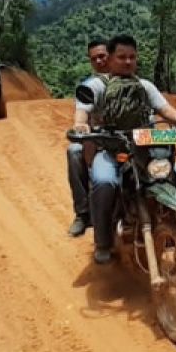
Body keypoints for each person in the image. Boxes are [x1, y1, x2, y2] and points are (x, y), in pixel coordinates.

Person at [72, 34, 176, 264]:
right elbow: (82, 111)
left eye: (132, 57)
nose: (127, 62)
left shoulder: (145, 86)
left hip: (144, 150)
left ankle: (170, 226)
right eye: (122, 57)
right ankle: (102, 241)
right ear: (111, 59)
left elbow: (166, 110)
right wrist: (81, 124)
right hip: (111, 150)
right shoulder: (96, 86)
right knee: (104, 182)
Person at [66, 38, 110, 238]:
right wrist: (80, 124)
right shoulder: (90, 87)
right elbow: (82, 111)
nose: (99, 61)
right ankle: (83, 214)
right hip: (98, 140)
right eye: (94, 59)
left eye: (102, 56)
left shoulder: (132, 82)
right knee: (74, 151)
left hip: (130, 139)